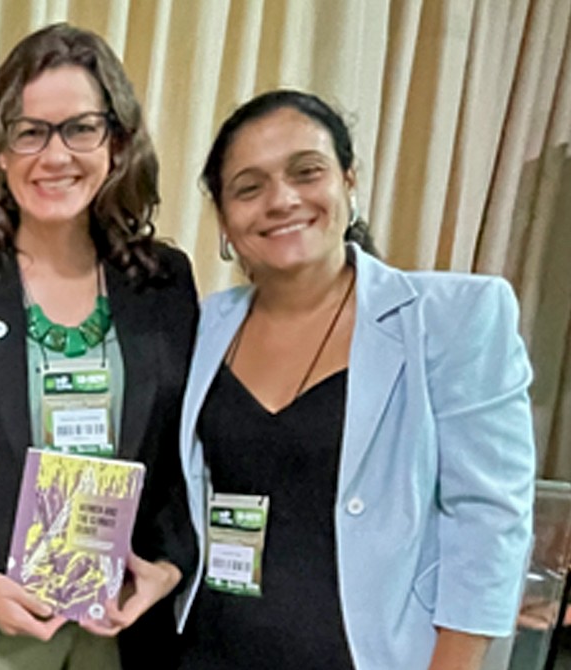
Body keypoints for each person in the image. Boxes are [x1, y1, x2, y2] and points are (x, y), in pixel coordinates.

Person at [175, 89, 535, 669]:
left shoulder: (451, 317)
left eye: (305, 172)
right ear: (224, 217)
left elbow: (490, 524)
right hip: (207, 653)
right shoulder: (204, 324)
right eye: (249, 187)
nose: (281, 199)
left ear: (348, 180)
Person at [0, 23, 199, 670]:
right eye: (28, 131)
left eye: (80, 128)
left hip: (122, 629)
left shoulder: (166, 285)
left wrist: (171, 565)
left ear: (116, 143)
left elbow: (183, 452)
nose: (54, 155)